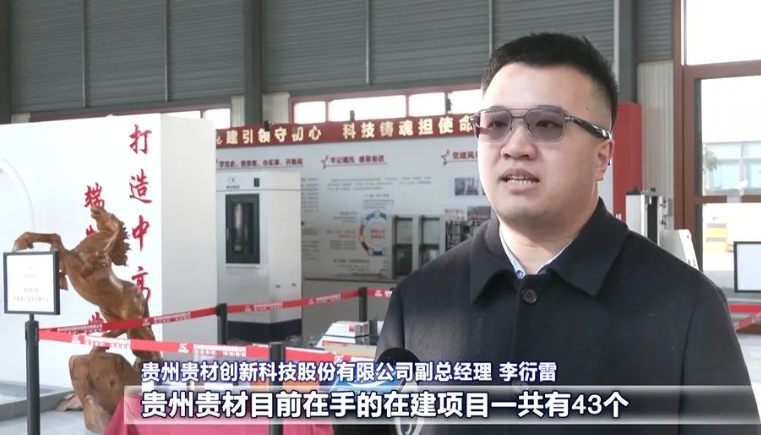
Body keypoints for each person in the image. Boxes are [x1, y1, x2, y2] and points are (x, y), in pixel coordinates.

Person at [375, 32, 760, 434]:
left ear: (601, 157)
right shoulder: (418, 301)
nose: (515, 147)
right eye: (497, 124)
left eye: (547, 124)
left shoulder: (687, 307)